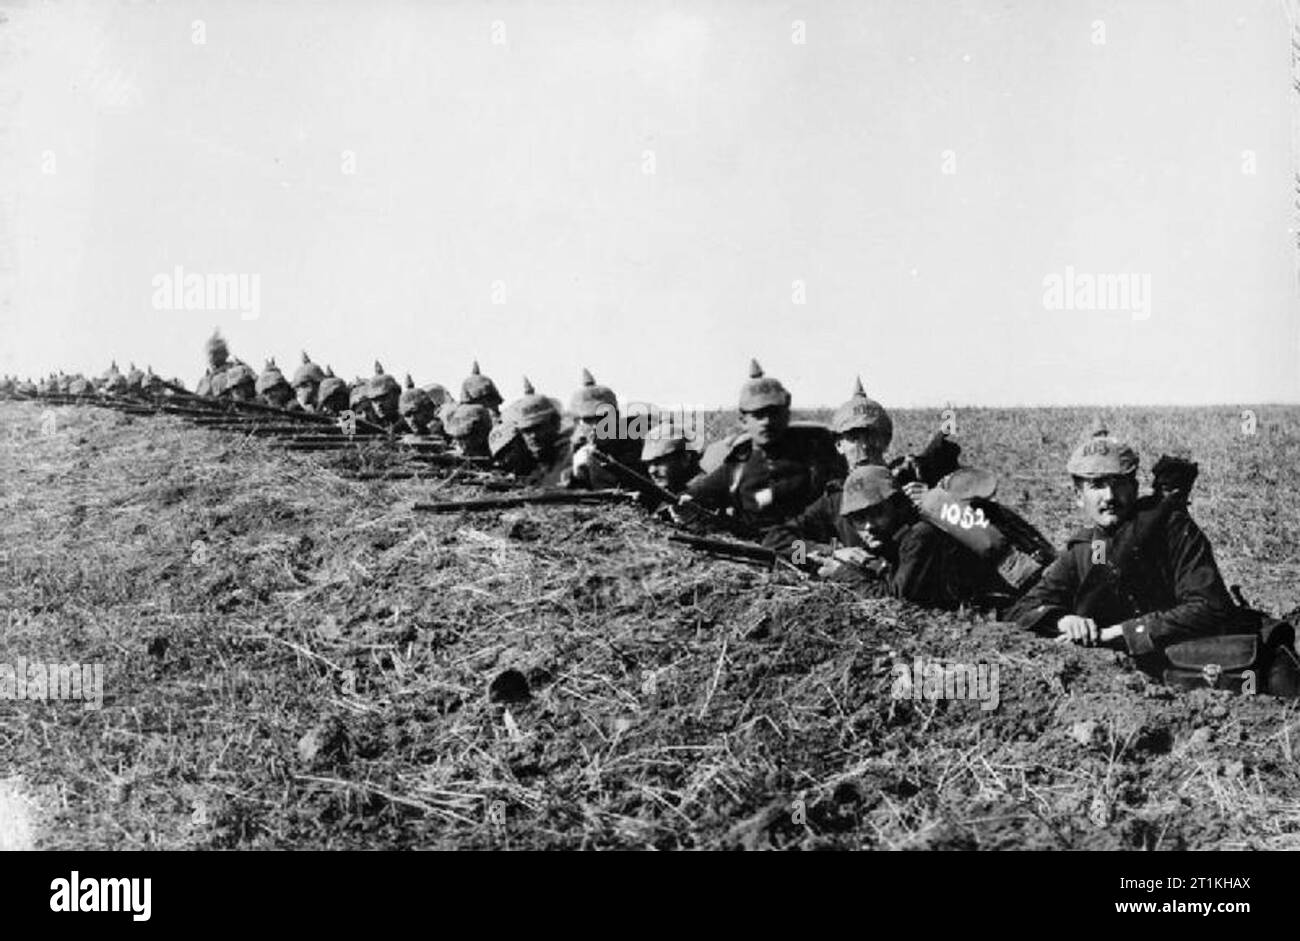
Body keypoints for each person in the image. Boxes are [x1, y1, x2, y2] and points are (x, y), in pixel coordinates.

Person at [1008, 429, 1300, 695]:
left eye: (1119, 483)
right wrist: (1065, 620)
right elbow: (1022, 610)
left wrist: (1120, 633)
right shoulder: (1083, 552)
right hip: (1163, 684)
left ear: (1134, 487)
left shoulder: (1171, 527)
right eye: (1096, 485)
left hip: (1244, 663)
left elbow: (1209, 606)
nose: (1109, 496)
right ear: (1078, 496)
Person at [684, 360, 845, 536]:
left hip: (805, 547)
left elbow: (840, 501)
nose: (767, 422)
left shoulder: (817, 453)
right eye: (758, 415)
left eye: (774, 413)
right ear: (743, 421)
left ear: (787, 413)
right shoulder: (737, 466)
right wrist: (684, 507)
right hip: (756, 553)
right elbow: (692, 498)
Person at [827, 465, 1012, 607]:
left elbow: (896, 601)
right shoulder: (900, 538)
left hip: (1014, 610)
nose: (868, 526)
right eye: (858, 518)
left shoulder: (920, 535)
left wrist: (841, 573)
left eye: (876, 513)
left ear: (897, 506)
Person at [568, 368, 646, 489]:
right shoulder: (572, 453)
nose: (596, 426)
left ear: (617, 416)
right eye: (588, 420)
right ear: (577, 423)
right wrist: (576, 476)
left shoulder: (638, 447)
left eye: (602, 418)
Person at [196, 330, 232, 397]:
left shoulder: (233, 373)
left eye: (215, 353)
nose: (211, 357)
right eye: (210, 354)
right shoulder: (205, 380)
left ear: (224, 354)